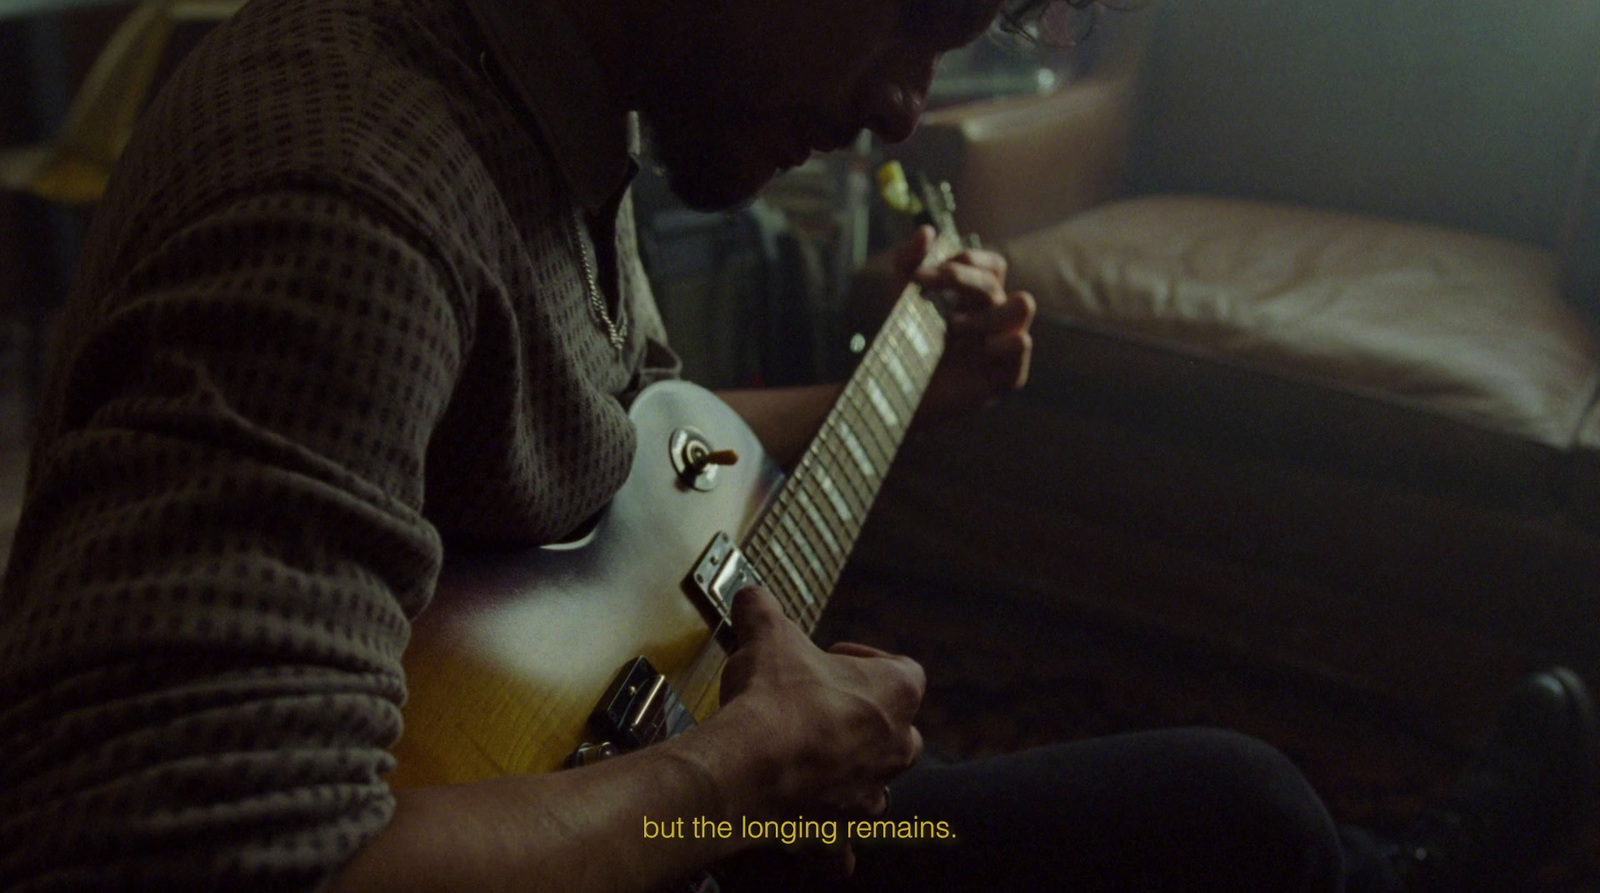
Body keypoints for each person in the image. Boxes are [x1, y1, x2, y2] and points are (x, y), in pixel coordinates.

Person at [0, 0, 1594, 890]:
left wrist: (907, 381)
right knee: (1229, 816)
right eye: (912, 14)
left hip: (635, 786)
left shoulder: (538, 106)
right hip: (677, 802)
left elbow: (623, 460)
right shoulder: (349, 184)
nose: (908, 106)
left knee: (1214, 811)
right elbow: (180, 867)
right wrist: (746, 767)